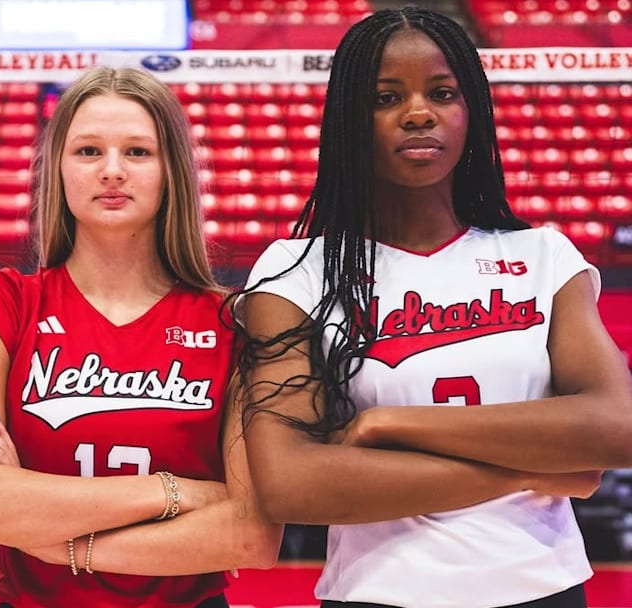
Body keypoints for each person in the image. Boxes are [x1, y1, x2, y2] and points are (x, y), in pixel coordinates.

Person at [231, 7, 632, 608]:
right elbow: (292, 484)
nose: (418, 113)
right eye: (386, 97)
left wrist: (388, 424)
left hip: (543, 589)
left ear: (471, 110)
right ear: (348, 120)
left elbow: (616, 427)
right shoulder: (297, 272)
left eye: (442, 92)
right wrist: (523, 471)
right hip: (378, 593)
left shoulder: (545, 256)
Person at [0, 65, 283, 608]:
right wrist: (177, 493)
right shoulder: (1, 302)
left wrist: (48, 532)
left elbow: (249, 535)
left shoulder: (232, 321)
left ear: (171, 172)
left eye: (138, 152)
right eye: (89, 151)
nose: (112, 171)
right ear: (60, 170)